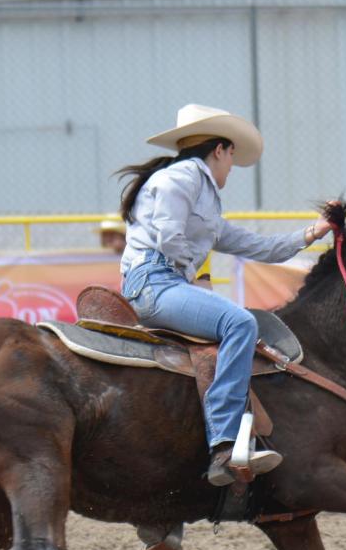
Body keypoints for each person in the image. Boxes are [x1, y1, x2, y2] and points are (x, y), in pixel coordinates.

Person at [119, 104, 332, 489]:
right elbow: (169, 238)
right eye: (232, 154)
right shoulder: (182, 179)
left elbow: (259, 246)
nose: (233, 165)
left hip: (161, 282)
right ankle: (226, 437)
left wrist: (312, 233)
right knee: (239, 322)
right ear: (218, 149)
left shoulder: (198, 194)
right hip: (155, 282)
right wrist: (194, 274)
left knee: (235, 322)